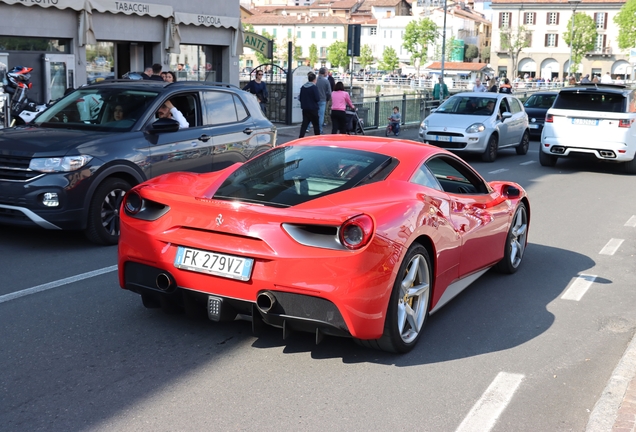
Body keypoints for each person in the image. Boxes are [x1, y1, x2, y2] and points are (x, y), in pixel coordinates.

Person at [298, 72, 320, 138]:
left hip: (305, 108)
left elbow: (300, 97)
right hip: (313, 108)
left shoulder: (303, 87)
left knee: (304, 124)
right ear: (314, 79)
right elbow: (317, 98)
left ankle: (301, 137)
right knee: (316, 124)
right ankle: (317, 137)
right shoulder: (314, 87)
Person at [316, 67, 332, 133]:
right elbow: (329, 92)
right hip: (323, 99)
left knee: (314, 114)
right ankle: (320, 130)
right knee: (321, 115)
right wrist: (327, 99)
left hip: (315, 99)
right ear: (324, 73)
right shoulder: (326, 81)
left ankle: (312, 127)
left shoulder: (315, 80)